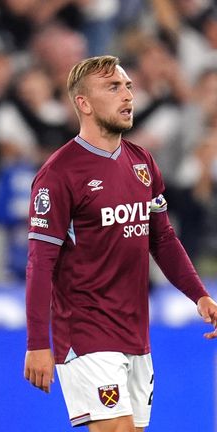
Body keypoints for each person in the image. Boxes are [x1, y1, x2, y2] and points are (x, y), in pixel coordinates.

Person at [23, 55, 217, 431]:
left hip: (134, 331)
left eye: (128, 86)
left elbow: (161, 238)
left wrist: (200, 295)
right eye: (113, 87)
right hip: (85, 332)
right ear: (84, 103)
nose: (128, 95)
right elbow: (39, 264)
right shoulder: (59, 174)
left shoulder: (142, 162)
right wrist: (37, 343)